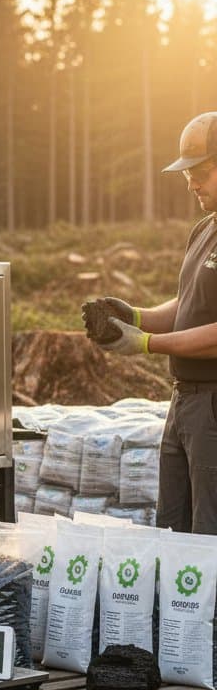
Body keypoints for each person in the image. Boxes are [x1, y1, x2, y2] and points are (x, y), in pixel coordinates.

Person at [87, 111, 217, 534]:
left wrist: (145, 344)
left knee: (208, 532)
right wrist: (134, 316)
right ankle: (180, 603)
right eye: (187, 174)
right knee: (173, 528)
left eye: (201, 172)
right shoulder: (204, 230)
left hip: (213, 403)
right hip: (183, 402)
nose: (192, 183)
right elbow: (190, 302)